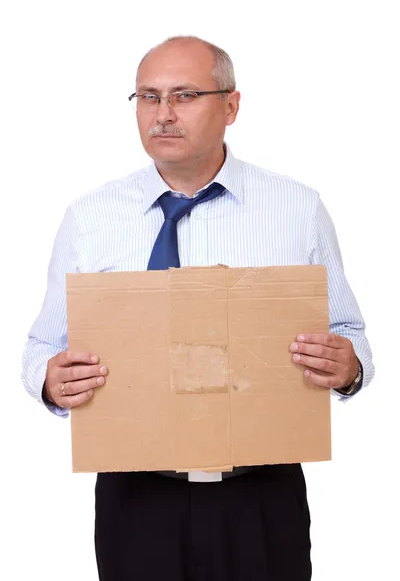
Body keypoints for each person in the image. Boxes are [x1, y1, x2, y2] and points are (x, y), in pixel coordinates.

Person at [22, 35, 374, 581]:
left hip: (261, 493)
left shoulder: (296, 209)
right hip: (135, 498)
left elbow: (350, 333)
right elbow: (43, 344)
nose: (162, 114)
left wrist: (348, 368)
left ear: (231, 105)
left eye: (184, 95)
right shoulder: (90, 218)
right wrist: (49, 380)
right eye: (148, 96)